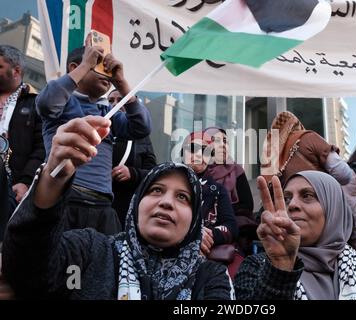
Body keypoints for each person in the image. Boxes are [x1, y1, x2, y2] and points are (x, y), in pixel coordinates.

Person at [1, 116, 235, 300]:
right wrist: (52, 180)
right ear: (136, 203)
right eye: (156, 190)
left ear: (195, 220)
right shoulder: (91, 253)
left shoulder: (210, 277)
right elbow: (30, 269)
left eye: (183, 197)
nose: (166, 202)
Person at [35, 34, 151, 234]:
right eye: (97, 65)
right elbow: (47, 101)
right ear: (74, 68)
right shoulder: (63, 101)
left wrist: (121, 82)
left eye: (107, 69)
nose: (106, 74)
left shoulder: (107, 113)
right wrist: (85, 65)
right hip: (65, 198)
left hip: (102, 205)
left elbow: (142, 127)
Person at [234, 172, 356, 300]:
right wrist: (280, 269)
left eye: (307, 196)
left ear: (334, 210)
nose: (292, 205)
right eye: (286, 198)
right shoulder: (257, 266)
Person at [260, 111, 356, 254]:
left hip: (292, 235)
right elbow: (344, 174)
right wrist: (325, 185)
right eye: (288, 198)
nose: (293, 204)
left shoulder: (273, 158)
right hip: (326, 222)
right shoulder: (307, 138)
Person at [181, 132, 238, 269]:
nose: (200, 155)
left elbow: (231, 227)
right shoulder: (167, 182)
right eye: (193, 149)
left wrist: (208, 234)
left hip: (206, 263)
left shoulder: (218, 190)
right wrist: (194, 234)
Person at [0, 45, 45, 207]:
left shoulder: (36, 103)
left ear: (16, 71)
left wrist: (26, 182)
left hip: (12, 187)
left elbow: (42, 147)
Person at [108, 89, 157, 227]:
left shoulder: (141, 135)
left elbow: (152, 173)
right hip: (96, 202)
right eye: (111, 100)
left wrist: (132, 173)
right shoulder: (99, 129)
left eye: (121, 100)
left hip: (124, 208)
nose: (115, 104)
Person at [203, 127, 254, 220]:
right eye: (217, 141)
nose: (223, 145)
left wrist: (220, 214)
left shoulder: (236, 170)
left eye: (225, 141)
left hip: (234, 223)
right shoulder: (198, 172)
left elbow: (247, 205)